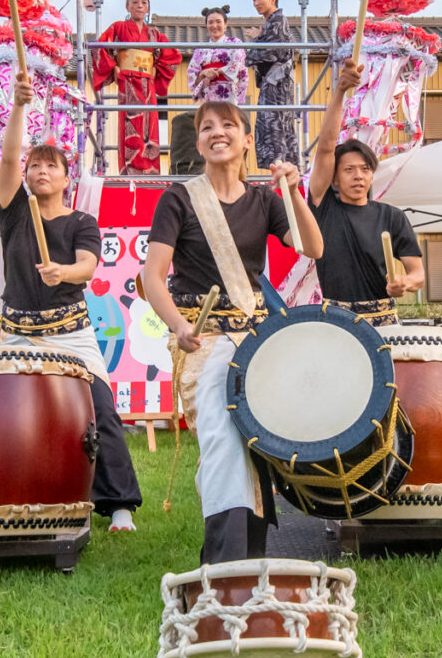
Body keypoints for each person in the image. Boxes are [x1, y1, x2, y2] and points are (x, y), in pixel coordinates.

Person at [139, 98, 325, 563]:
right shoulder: (179, 199)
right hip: (203, 340)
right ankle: (224, 561)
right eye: (206, 127)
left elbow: (312, 247)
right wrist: (179, 326)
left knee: (254, 440)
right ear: (198, 142)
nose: (216, 132)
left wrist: (292, 192)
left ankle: (250, 553)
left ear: (247, 141)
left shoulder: (265, 199)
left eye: (228, 125)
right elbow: (152, 277)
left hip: (254, 338)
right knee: (222, 435)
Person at [0, 72, 143, 532]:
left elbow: (87, 266)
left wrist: (64, 273)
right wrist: (19, 106)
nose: (40, 172)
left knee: (99, 407)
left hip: (71, 334)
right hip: (19, 331)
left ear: (65, 177)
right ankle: (15, 497)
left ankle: (118, 504)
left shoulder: (81, 220)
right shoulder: (14, 210)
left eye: (50, 166)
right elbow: (7, 155)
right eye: (35, 166)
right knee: (11, 417)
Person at [306, 54, 425, 325]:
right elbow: (325, 147)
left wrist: (404, 283)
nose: (358, 176)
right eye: (349, 170)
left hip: (383, 318)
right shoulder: (323, 207)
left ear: (372, 175)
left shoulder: (391, 217)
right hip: (336, 318)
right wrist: (339, 92)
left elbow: (417, 273)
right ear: (334, 177)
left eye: (365, 169)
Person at [90, 0, 178, 175]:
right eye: (135, 2)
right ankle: (130, 171)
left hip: (148, 83)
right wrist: (113, 66)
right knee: (130, 126)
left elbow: (173, 56)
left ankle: (151, 172)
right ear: (127, 6)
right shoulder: (119, 27)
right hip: (127, 81)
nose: (139, 5)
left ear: (148, 8)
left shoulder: (154, 34)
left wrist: (156, 68)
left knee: (149, 126)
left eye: (144, 2)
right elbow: (98, 46)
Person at [246, 0, 301, 172]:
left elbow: (271, 51)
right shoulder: (271, 23)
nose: (256, 3)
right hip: (273, 81)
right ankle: (280, 168)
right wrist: (259, 37)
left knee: (276, 125)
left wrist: (254, 44)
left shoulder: (278, 21)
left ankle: (282, 170)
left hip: (277, 83)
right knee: (274, 125)